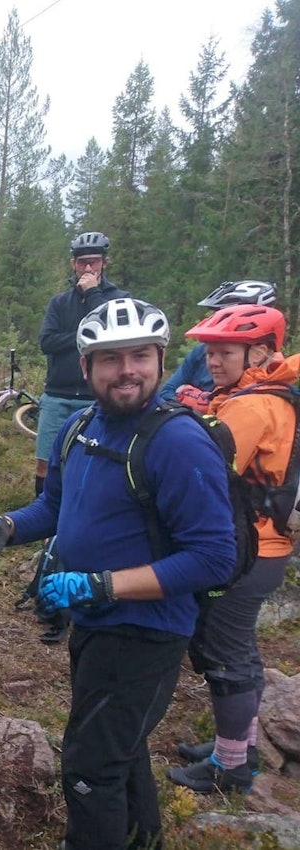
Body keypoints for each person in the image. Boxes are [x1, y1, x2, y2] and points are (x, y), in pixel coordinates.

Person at [0, 297, 236, 850]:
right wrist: (10, 525)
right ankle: (141, 838)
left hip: (147, 632)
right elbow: (57, 508)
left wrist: (99, 584)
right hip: (95, 622)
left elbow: (213, 558)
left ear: (162, 362)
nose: (127, 370)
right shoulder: (80, 426)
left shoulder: (178, 442)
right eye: (110, 358)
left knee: (90, 769)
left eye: (140, 355)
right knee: (120, 747)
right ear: (86, 368)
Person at [168, 303, 293, 794]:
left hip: (250, 549)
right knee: (240, 649)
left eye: (223, 352)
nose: (212, 361)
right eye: (209, 351)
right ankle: (240, 746)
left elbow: (203, 470)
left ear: (259, 352)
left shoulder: (254, 405)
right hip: (263, 543)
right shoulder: (253, 394)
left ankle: (231, 765)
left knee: (224, 652)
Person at [33, 231, 130, 496]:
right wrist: (85, 333)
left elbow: (112, 335)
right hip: (57, 394)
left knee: (94, 462)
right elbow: (47, 343)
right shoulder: (60, 302)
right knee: (45, 462)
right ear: (73, 264)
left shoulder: (119, 299)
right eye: (82, 262)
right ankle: (46, 524)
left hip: (97, 396)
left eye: (94, 262)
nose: (88, 268)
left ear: (104, 263)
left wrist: (93, 295)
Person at [160, 280, 278, 411]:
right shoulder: (201, 351)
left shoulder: (275, 368)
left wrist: (201, 401)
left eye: (222, 314)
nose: (216, 320)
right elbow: (166, 393)